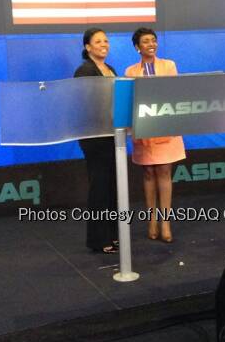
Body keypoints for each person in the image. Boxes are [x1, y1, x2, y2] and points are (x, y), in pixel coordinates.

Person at [125, 28, 186, 243]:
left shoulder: (168, 65)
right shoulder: (131, 71)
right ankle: (151, 221)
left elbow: (173, 93)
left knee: (164, 170)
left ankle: (165, 223)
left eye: (153, 40)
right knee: (148, 173)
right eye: (145, 41)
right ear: (137, 47)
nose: (151, 44)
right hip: (143, 128)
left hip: (165, 126)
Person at [74, 28, 118, 254]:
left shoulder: (110, 69)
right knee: (99, 186)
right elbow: (85, 104)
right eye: (98, 41)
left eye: (106, 40)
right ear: (87, 47)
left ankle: (112, 234)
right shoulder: (84, 71)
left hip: (112, 135)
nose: (104, 44)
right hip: (94, 137)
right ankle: (98, 239)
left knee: (112, 185)